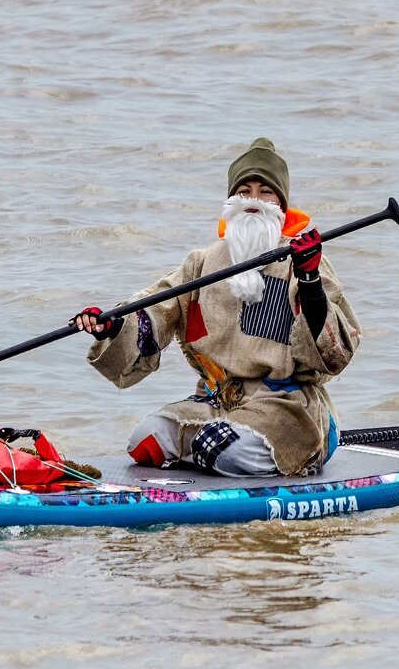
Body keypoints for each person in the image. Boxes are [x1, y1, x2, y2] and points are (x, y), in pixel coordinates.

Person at [74, 138, 361, 477]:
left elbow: (336, 354)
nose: (253, 201)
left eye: (265, 193)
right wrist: (111, 325)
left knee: (219, 447)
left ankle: (255, 455)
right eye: (244, 191)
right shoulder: (203, 262)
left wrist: (310, 279)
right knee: (145, 441)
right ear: (231, 201)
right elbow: (156, 307)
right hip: (217, 401)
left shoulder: (303, 260)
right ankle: (212, 453)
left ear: (281, 205)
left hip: (287, 409)